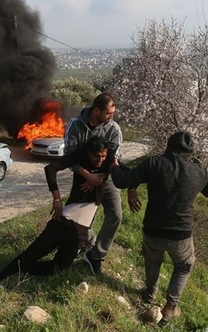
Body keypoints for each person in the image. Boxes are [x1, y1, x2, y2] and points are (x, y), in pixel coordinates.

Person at [110, 131, 208, 321]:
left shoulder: (153, 163)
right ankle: (170, 307)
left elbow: (122, 180)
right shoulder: (199, 173)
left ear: (168, 145)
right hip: (181, 235)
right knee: (184, 265)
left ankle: (150, 293)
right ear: (191, 152)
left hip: (153, 230)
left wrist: (114, 166)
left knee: (152, 261)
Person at [0, 136, 113, 280]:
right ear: (89, 152)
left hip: (80, 230)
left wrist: (100, 177)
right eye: (96, 156)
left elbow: (124, 173)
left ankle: (22, 269)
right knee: (32, 254)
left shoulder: (108, 160)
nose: (100, 160)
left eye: (103, 156)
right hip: (65, 221)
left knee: (60, 267)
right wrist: (56, 199)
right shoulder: (79, 157)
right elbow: (50, 168)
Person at [64, 92, 140, 275]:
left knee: (115, 215)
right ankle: (86, 245)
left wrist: (99, 177)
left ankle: (96, 254)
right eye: (108, 113)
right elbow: (68, 156)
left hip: (107, 178)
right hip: (82, 178)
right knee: (80, 217)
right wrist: (88, 176)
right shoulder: (75, 126)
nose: (111, 117)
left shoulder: (113, 129)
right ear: (96, 110)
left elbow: (115, 159)